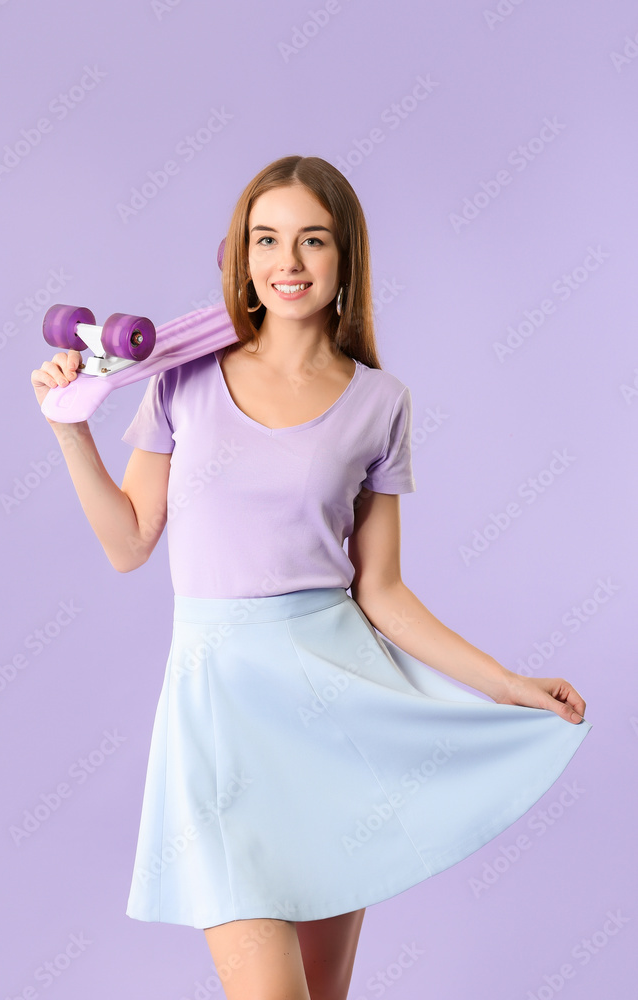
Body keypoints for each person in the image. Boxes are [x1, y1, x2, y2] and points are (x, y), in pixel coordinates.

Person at [31, 155, 592, 1000]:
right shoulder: (180, 380)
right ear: (241, 259)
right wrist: (69, 432)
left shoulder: (380, 401)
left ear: (344, 262)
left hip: (338, 712)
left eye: (311, 241)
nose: (286, 262)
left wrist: (507, 683)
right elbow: (129, 543)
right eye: (266, 240)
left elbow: (383, 592)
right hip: (218, 715)